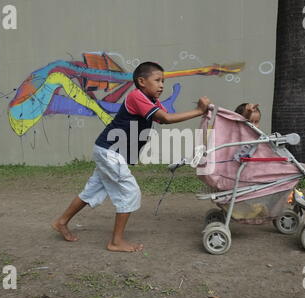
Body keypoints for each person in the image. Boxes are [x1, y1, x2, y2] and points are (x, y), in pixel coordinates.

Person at [52, 61, 211, 252]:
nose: (162, 85)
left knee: (92, 190)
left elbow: (163, 117)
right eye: (158, 80)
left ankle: (61, 222)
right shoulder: (137, 96)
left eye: (164, 82)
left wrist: (199, 110)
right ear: (142, 81)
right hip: (110, 152)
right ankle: (116, 242)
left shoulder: (151, 100)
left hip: (108, 150)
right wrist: (199, 111)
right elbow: (165, 119)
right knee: (129, 192)